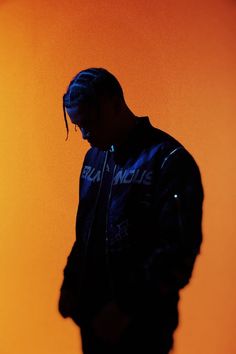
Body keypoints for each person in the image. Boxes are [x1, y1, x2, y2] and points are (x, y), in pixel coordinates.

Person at [58, 67, 204, 354]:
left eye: (90, 123)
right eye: (78, 126)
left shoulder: (169, 160)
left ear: (115, 103)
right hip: (95, 321)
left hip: (144, 327)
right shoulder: (94, 158)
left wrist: (125, 307)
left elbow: (179, 250)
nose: (85, 135)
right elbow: (87, 233)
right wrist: (71, 281)